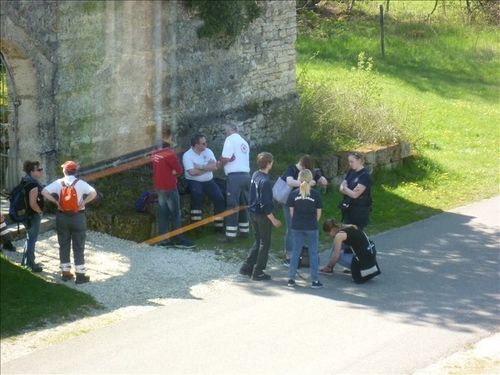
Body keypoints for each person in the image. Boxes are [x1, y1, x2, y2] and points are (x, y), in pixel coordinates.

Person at [42, 161, 97, 283]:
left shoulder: (58, 183)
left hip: (62, 216)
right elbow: (93, 193)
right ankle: (80, 275)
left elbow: (44, 191)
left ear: (64, 171)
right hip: (78, 216)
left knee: (64, 244)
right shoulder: (81, 183)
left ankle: (66, 273)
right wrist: (83, 203)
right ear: (75, 171)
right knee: (78, 245)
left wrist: (56, 202)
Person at [239, 152, 281, 281]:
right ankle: (258, 271)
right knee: (264, 243)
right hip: (262, 216)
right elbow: (265, 205)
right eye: (271, 162)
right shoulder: (265, 182)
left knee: (258, 241)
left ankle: (247, 267)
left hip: (252, 212)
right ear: (268, 164)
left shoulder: (255, 175)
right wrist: (273, 220)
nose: (272, 164)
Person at [151, 128, 195, 249]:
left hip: (159, 186)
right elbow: (179, 170)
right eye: (170, 137)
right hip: (169, 186)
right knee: (175, 213)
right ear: (167, 137)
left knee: (163, 213)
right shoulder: (169, 152)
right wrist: (174, 172)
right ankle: (179, 239)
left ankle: (164, 240)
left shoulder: (154, 152)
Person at [281, 155, 327, 267]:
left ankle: (298, 254)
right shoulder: (292, 169)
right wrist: (306, 183)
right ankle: (289, 256)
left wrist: (321, 179)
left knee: (300, 230)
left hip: (303, 205)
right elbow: (290, 182)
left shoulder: (310, 172)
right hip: (289, 202)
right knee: (291, 229)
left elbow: (322, 180)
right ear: (302, 165)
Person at [286, 169, 323, 289]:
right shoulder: (315, 194)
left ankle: (291, 279)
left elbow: (292, 212)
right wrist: (313, 222)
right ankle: (315, 280)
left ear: (299, 178)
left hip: (297, 226)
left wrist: (298, 221)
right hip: (311, 225)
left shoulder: (294, 193)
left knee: (295, 252)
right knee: (313, 252)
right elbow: (319, 213)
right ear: (310, 178)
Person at [182, 133, 225, 232]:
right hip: (194, 181)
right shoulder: (187, 155)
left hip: (209, 181)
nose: (206, 145)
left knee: (219, 198)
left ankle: (219, 227)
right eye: (203, 143)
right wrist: (207, 167)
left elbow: (215, 167)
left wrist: (200, 167)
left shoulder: (208, 152)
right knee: (196, 195)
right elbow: (192, 172)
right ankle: (197, 227)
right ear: (197, 145)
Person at [218, 123, 251, 242]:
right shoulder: (244, 142)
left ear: (228, 130)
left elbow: (226, 158)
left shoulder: (229, 140)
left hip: (234, 177)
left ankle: (230, 235)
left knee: (232, 205)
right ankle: (244, 231)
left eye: (225, 131)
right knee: (243, 204)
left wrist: (219, 165)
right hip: (246, 175)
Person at [17, 161, 45, 272]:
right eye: (39, 169)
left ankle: (25, 261)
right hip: (32, 216)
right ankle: (31, 264)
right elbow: (33, 203)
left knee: (29, 238)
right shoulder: (33, 184)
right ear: (32, 171)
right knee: (32, 239)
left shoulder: (24, 180)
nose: (41, 171)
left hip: (25, 215)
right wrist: (39, 212)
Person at [339, 151, 372, 231]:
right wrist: (349, 190)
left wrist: (346, 188)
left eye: (352, 161)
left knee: (356, 234)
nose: (350, 164)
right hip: (348, 208)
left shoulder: (364, 176)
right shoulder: (351, 171)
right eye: (349, 162)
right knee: (346, 234)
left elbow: (355, 195)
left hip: (359, 210)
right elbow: (341, 188)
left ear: (359, 161)